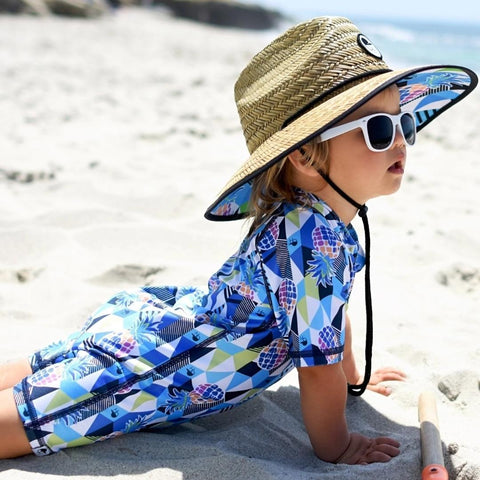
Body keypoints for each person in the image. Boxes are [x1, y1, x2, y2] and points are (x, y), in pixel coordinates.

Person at [0, 16, 477, 465]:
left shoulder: (323, 223)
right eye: (377, 129)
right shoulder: (316, 240)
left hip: (168, 326)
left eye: (404, 123)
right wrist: (340, 444)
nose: (399, 141)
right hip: (170, 369)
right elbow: (315, 367)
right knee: (35, 418)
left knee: (55, 364)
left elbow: (330, 316)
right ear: (307, 157)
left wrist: (354, 379)